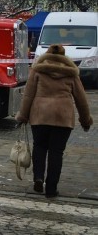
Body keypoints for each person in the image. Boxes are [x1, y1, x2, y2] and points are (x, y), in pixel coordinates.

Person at [15, 44, 92, 198]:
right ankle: (51, 189)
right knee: (57, 152)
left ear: (47, 54)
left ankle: (38, 177)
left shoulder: (38, 70)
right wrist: (85, 120)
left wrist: (22, 116)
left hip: (40, 115)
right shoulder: (71, 74)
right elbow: (81, 99)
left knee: (40, 147)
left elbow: (28, 95)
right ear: (64, 57)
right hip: (63, 117)